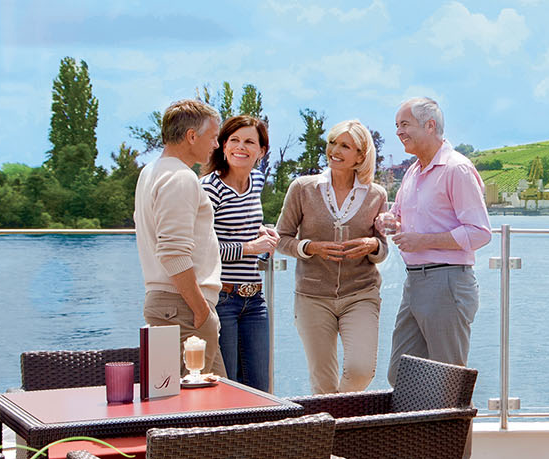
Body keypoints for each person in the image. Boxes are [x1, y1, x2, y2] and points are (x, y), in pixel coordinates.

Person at [379, 97, 491, 387]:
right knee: (401, 375)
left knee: (447, 380)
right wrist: (389, 220)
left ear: (430, 126)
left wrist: (423, 241)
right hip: (415, 283)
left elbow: (479, 232)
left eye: (405, 124)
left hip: (447, 282)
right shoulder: (413, 172)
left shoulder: (457, 169)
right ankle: (422, 420)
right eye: (397, 125)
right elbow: (398, 214)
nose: (398, 132)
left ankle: (451, 420)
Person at [276, 119, 389, 394]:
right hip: (312, 296)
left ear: (360, 156)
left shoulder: (376, 195)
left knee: (361, 371)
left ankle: (336, 414)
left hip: (360, 294)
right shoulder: (303, 188)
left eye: (345, 146)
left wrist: (372, 244)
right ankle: (334, 419)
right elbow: (281, 238)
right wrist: (309, 247)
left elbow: (383, 249)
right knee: (323, 383)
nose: (334, 150)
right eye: (332, 143)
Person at [134, 99, 226, 376]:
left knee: (213, 396)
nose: (216, 145)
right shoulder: (180, 178)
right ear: (191, 136)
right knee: (198, 397)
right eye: (213, 137)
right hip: (183, 307)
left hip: (170, 305)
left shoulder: (150, 172)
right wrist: (201, 311)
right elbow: (173, 253)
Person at [200, 115, 279, 391]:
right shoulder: (210, 188)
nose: (240, 147)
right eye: (234, 140)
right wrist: (250, 248)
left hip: (255, 299)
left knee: (260, 386)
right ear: (223, 146)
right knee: (229, 384)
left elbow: (243, 224)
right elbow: (204, 248)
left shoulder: (256, 180)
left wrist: (262, 231)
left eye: (249, 142)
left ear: (261, 151)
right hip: (223, 298)